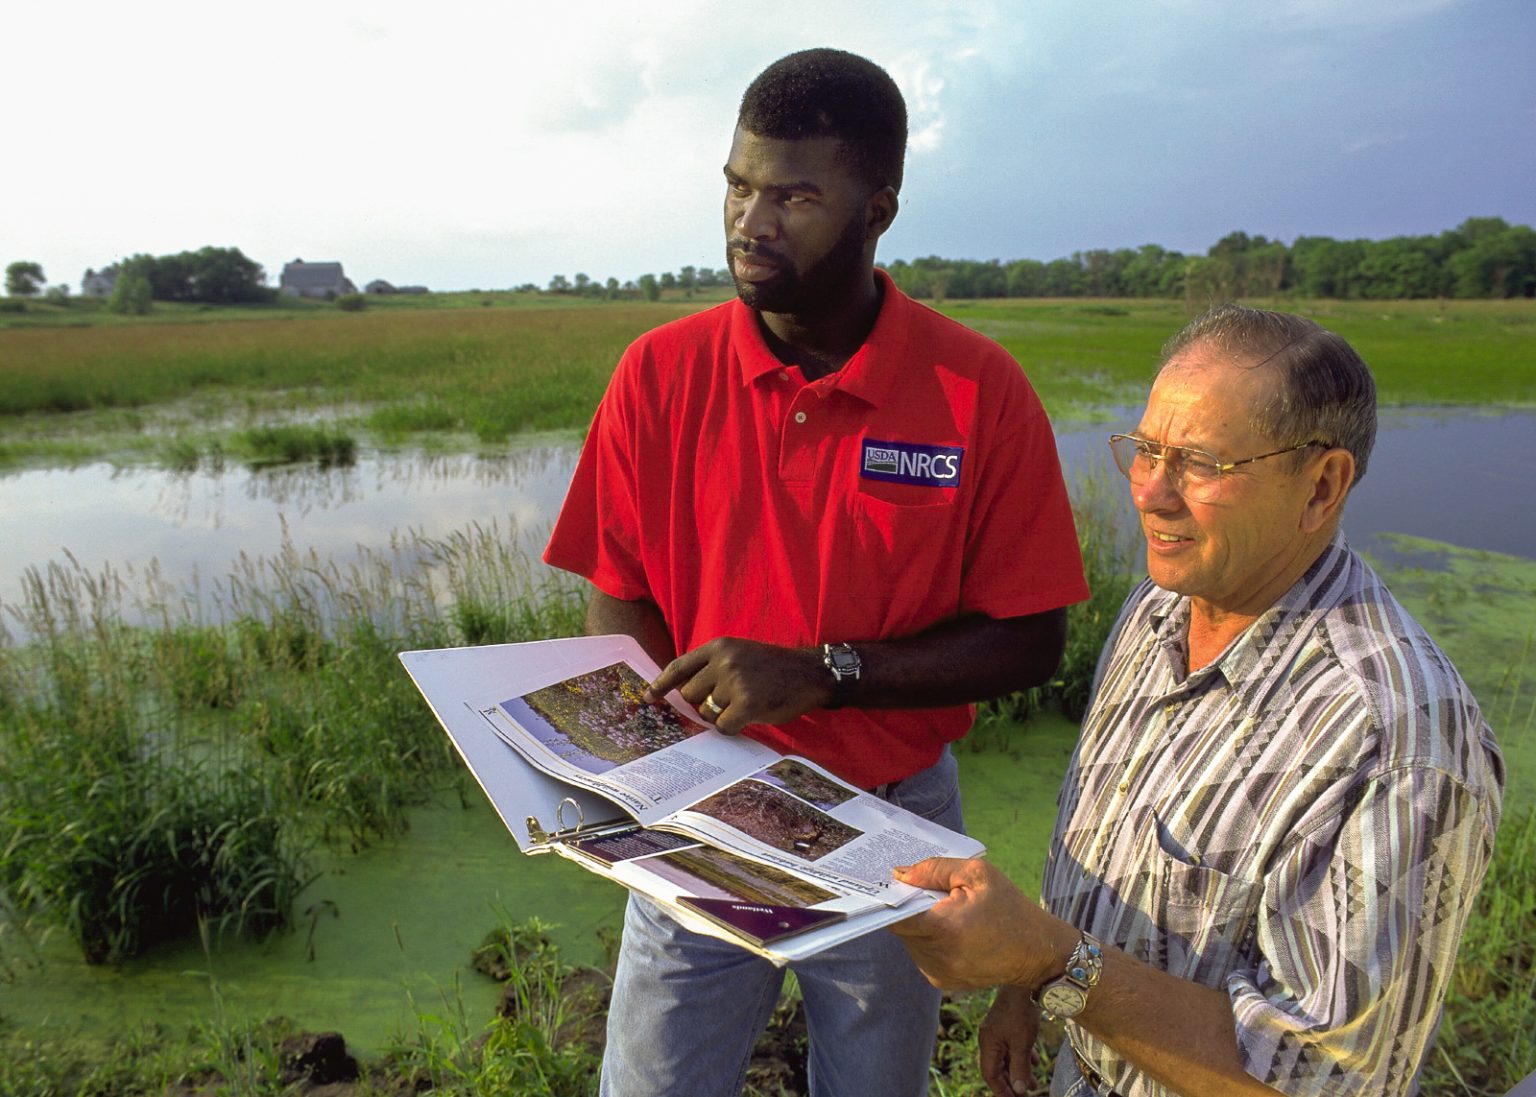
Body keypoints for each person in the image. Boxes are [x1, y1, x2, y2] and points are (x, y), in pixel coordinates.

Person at [542, 47, 1090, 1097]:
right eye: (739, 185)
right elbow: (619, 585)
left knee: (875, 1085)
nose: (753, 222)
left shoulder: (975, 390)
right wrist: (667, 764)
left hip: (894, 826)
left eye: (796, 194)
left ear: (878, 206)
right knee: (652, 1082)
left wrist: (830, 671)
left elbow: (1031, 636)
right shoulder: (660, 373)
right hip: (703, 811)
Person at [890, 305, 1506, 1097]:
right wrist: (1023, 986)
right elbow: (1104, 830)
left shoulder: (1398, 737)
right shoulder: (1157, 608)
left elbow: (1318, 1079)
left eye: (1200, 463)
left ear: (1322, 485)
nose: (1149, 492)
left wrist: (1048, 959)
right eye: (1146, 449)